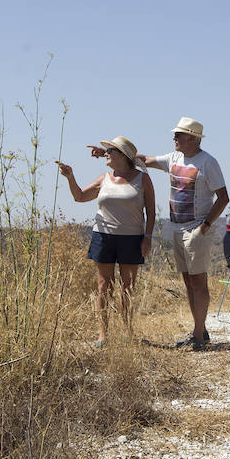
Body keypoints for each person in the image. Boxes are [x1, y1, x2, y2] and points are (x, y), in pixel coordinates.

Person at [91, 117, 229, 350]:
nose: (174, 138)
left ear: (192, 138)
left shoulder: (208, 162)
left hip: (196, 229)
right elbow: (144, 159)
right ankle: (199, 331)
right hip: (176, 228)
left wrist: (204, 226)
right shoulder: (174, 158)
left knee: (198, 281)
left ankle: (198, 334)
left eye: (178, 135)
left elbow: (223, 197)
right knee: (187, 281)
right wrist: (111, 153)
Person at [57, 136, 155, 346]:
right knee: (104, 287)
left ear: (123, 156)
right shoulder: (104, 178)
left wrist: (147, 237)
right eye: (107, 150)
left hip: (132, 238)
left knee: (127, 287)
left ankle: (128, 332)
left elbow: (152, 211)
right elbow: (80, 197)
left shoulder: (142, 179)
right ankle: (103, 335)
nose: (106, 154)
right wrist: (70, 177)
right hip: (103, 236)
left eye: (111, 151)